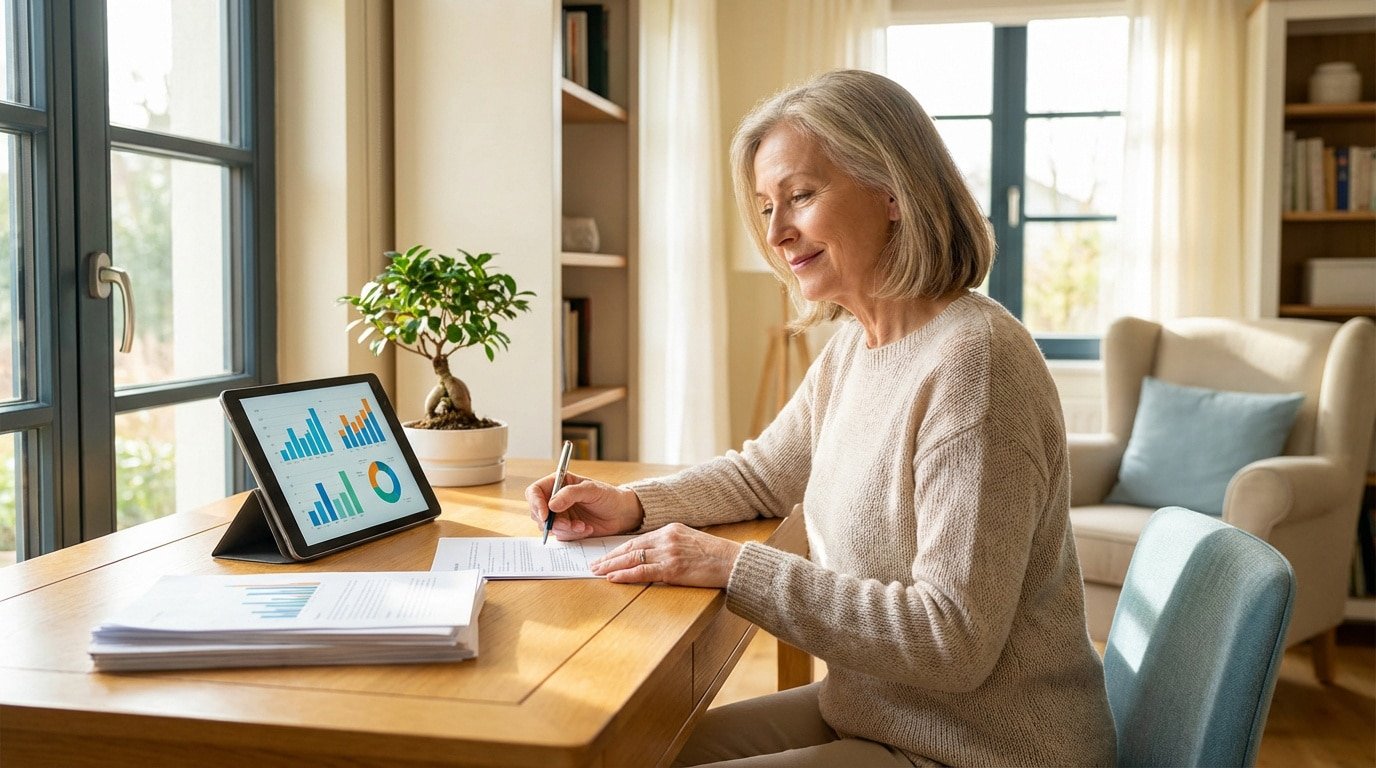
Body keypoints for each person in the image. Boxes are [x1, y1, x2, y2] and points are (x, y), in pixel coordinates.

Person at [526, 69, 1116, 767]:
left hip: (983, 748)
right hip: (882, 713)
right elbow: (762, 475)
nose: (777, 232)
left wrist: (734, 566)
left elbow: (950, 638)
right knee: (627, 755)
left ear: (893, 191)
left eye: (801, 196)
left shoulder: (974, 365)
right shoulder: (859, 345)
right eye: (766, 206)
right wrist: (630, 504)